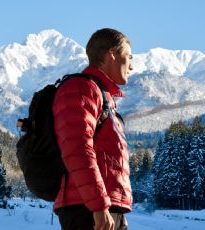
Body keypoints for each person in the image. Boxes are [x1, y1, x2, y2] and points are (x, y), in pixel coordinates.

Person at [53, 28, 134, 230]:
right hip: (88, 210)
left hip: (104, 207)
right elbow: (77, 148)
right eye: (129, 57)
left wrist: (117, 211)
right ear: (112, 54)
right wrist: (99, 206)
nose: (132, 66)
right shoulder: (81, 88)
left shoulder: (103, 96)